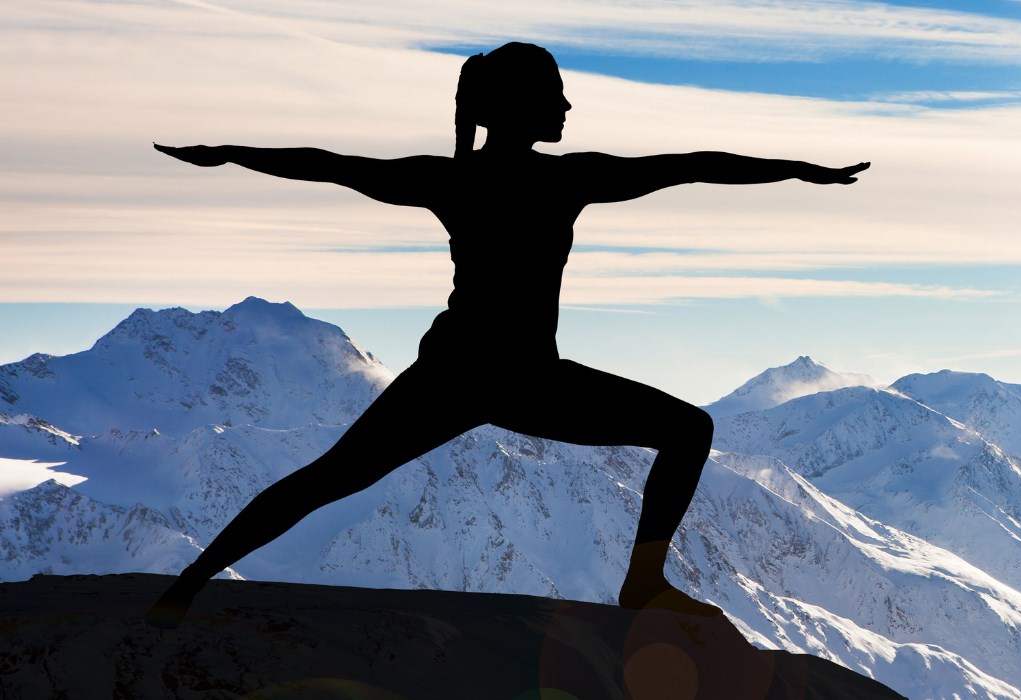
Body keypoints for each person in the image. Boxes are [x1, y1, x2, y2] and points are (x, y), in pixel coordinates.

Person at [146, 41, 867, 626]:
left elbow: (331, 167)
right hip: (519, 380)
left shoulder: (456, 179)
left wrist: (229, 152)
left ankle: (190, 582)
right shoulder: (562, 180)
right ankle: (643, 584)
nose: (567, 106)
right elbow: (693, 168)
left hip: (462, 376)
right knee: (687, 430)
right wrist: (805, 173)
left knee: (328, 479)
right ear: (520, 105)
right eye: (555, 95)